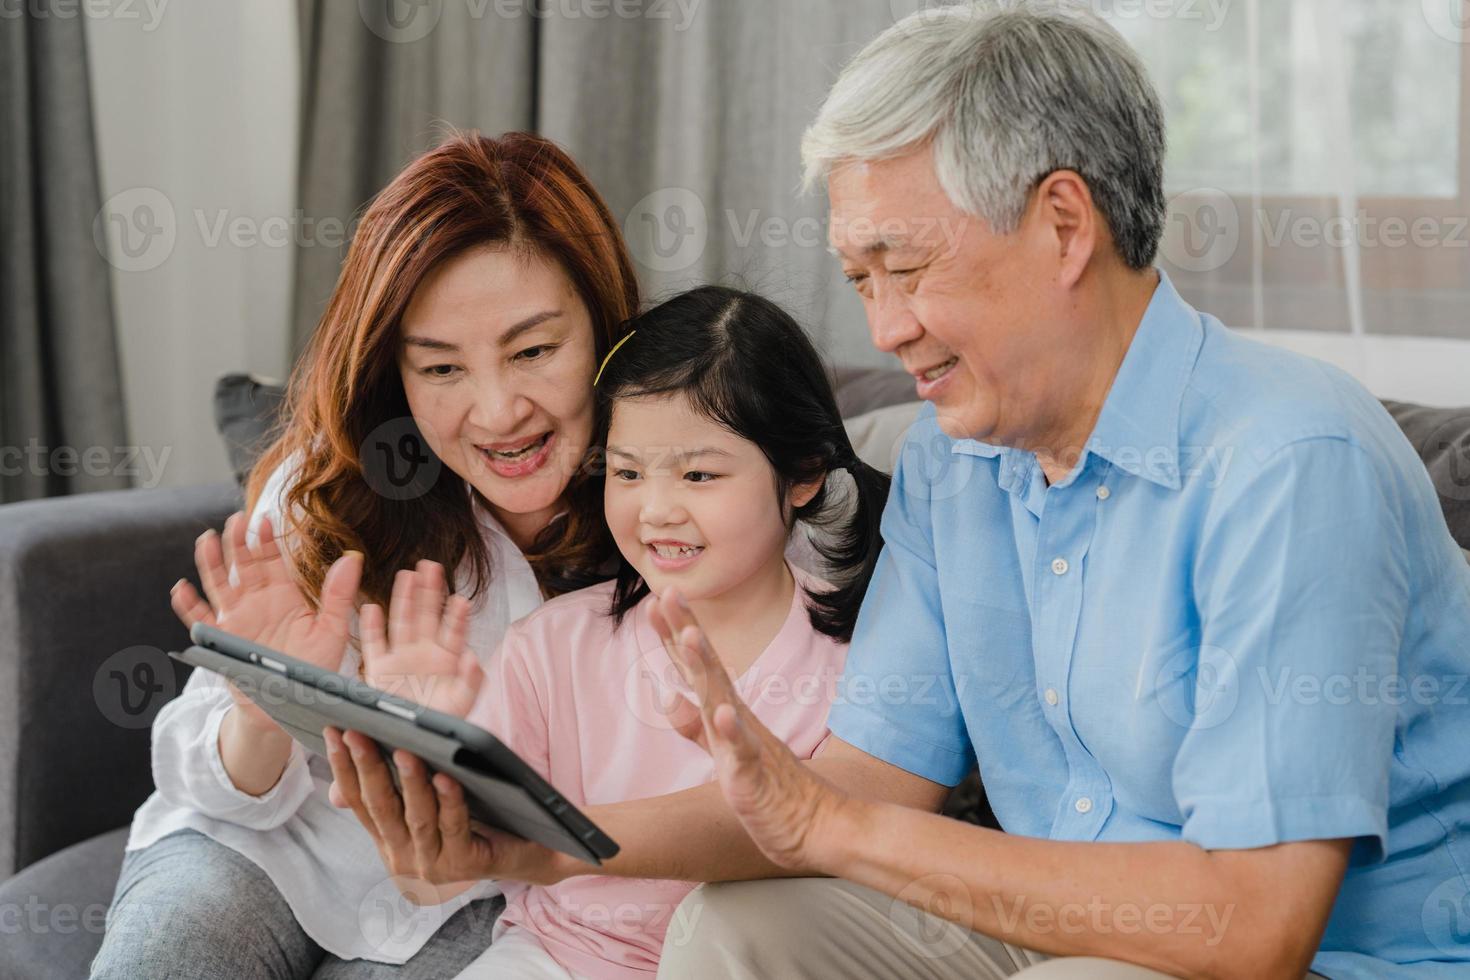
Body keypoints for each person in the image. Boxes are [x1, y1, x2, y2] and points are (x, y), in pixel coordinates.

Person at [326, 5, 1470, 979]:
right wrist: (541, 846)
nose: (885, 329)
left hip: (1317, 957)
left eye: (906, 268)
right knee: (739, 925)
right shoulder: (953, 464)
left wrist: (834, 822)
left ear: (1064, 224)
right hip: (1045, 931)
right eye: (859, 279)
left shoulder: (1288, 463)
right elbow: (855, 788)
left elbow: (1254, 922)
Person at [90, 130, 641, 979]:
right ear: (396, 373)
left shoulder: (679, 494)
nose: (498, 413)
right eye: (442, 369)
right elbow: (211, 785)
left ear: (606, 329)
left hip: (483, 894)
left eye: (533, 351)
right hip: (268, 849)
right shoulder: (332, 483)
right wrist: (263, 704)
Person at [331, 285, 890, 979]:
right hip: (553, 959)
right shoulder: (552, 647)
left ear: (803, 474)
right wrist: (420, 754)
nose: (656, 510)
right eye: (626, 472)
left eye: (698, 473)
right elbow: (435, 883)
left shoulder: (865, 655)